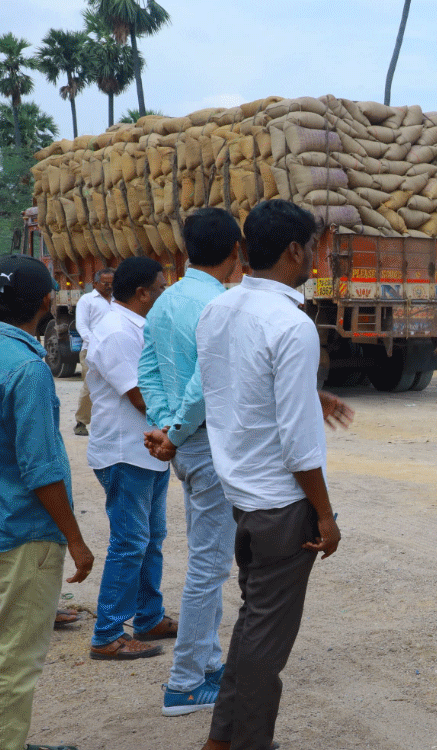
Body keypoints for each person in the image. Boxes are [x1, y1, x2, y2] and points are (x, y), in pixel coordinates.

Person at [195, 200, 345, 750]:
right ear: (293, 251)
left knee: (254, 621)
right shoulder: (290, 323)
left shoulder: (218, 310)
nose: (317, 256)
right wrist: (325, 515)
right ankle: (247, 742)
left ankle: (222, 738)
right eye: (315, 246)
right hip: (281, 503)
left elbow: (237, 393)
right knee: (267, 641)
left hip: (241, 492)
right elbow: (300, 446)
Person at [138, 208, 243, 716]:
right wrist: (176, 432)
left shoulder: (166, 301)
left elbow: (149, 369)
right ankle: (183, 682)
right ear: (234, 252)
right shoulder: (220, 303)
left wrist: (163, 428)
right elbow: (206, 382)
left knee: (210, 556)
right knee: (209, 563)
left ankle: (206, 662)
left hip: (184, 443)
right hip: (204, 443)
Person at [0, 255, 94, 750]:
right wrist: (75, 541)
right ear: (45, 303)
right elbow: (40, 469)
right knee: (14, 661)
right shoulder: (27, 369)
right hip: (21, 534)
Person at [87, 256, 173, 661]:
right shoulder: (117, 332)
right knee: (129, 543)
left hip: (147, 452)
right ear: (142, 293)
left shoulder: (135, 327)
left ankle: (148, 617)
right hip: (126, 453)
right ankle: (107, 634)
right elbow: (140, 396)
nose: (164, 294)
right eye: (160, 288)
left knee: (150, 540)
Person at [73, 267, 114, 436]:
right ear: (96, 283)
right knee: (90, 386)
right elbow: (81, 325)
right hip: (91, 351)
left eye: (112, 283)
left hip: (114, 350)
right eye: (105, 283)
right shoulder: (87, 300)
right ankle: (81, 422)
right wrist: (96, 343)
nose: (109, 286)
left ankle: (109, 424)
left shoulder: (119, 300)